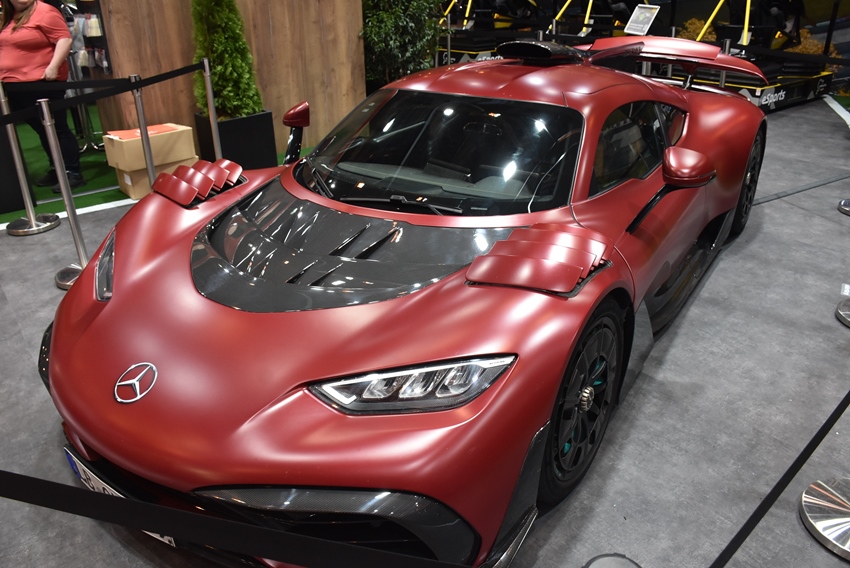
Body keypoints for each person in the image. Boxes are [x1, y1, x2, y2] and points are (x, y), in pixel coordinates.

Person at [0, 0, 84, 193]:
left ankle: (72, 172)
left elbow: (64, 39)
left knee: (57, 127)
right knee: (42, 128)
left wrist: (53, 67)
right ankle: (57, 167)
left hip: (42, 82)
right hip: (14, 85)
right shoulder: (9, 16)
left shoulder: (45, 12)